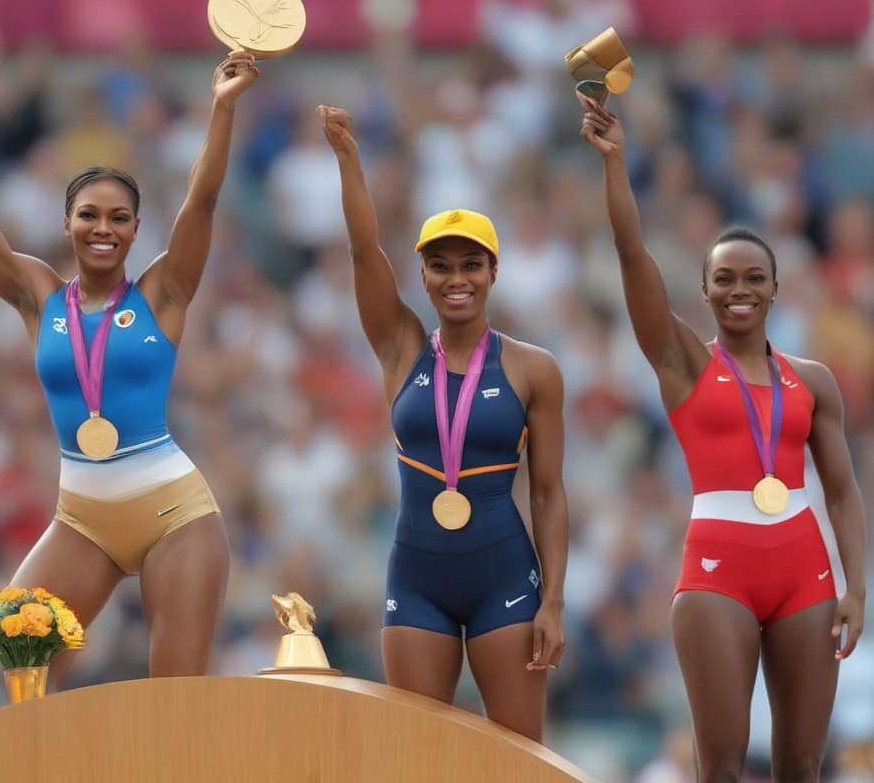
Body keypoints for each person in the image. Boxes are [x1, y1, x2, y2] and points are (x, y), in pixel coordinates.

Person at [0, 51, 258, 680]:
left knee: (176, 695)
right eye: (89, 215)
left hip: (175, 516)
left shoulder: (162, 294)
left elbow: (200, 203)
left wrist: (222, 108)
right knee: (17, 657)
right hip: (82, 521)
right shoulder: (38, 295)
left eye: (119, 218)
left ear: (137, 228)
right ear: (66, 223)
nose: (103, 228)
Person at [579, 93, 866, 782]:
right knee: (723, 766)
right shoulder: (683, 364)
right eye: (724, 280)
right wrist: (616, 163)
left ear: (775, 290)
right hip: (717, 570)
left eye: (754, 279)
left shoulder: (813, 380)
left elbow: (844, 492)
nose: (740, 290)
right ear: (704, 292)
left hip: (806, 568)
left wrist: (858, 589)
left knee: (802, 763)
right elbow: (631, 252)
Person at [318, 104, 568, 742]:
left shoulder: (534, 369)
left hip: (506, 580)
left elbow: (547, 492)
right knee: (414, 756)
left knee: (518, 757)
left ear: (492, 272)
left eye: (470, 265)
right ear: (423, 276)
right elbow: (362, 251)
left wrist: (554, 602)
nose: (456, 279)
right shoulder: (400, 347)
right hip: (417, 579)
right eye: (441, 266)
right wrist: (349, 160)